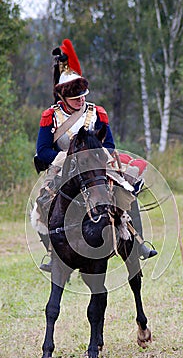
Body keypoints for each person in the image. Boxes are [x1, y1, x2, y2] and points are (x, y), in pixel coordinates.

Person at [32, 39, 157, 272]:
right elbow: (43, 151)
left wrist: (99, 159)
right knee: (41, 205)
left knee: (126, 193)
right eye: (75, 98)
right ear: (63, 98)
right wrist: (66, 160)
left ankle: (137, 243)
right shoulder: (51, 116)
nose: (81, 100)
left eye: (83, 96)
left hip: (96, 165)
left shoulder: (96, 113)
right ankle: (53, 253)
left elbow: (109, 144)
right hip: (63, 168)